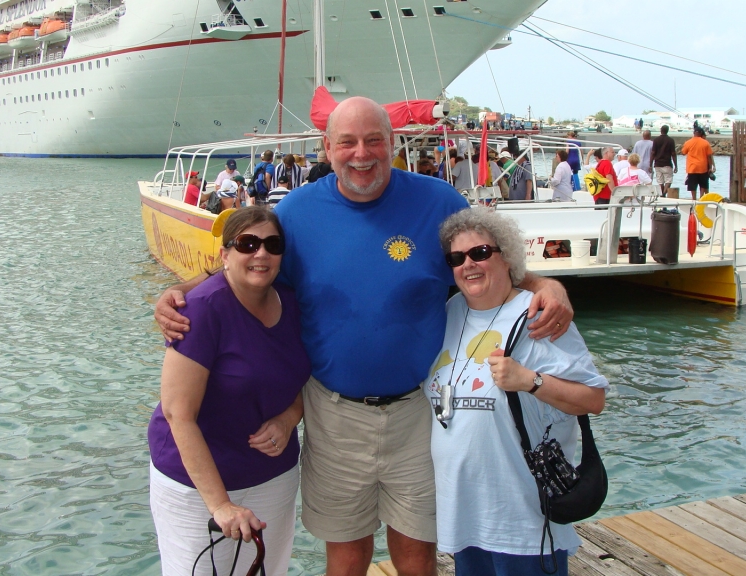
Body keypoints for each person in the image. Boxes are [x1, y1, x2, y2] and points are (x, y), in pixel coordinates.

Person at [154, 96, 574, 576]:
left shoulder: (440, 202)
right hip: (333, 416)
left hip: (421, 411)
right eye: (347, 142)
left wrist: (545, 284)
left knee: (417, 553)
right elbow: (249, 267)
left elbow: (487, 263)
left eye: (374, 140)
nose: (362, 154)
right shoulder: (294, 214)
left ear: (391, 143)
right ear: (326, 148)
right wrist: (179, 290)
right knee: (347, 556)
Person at [427, 207, 608, 575]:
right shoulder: (450, 311)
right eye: (456, 258)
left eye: (480, 253)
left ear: (506, 256)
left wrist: (530, 381)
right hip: (465, 517)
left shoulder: (538, 314)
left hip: (525, 522)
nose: (468, 265)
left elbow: (593, 399)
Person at [148, 206, 310, 576]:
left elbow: (306, 377)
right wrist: (220, 506)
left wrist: (288, 418)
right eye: (248, 243)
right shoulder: (202, 310)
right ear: (224, 254)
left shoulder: (293, 302)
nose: (261, 253)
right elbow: (178, 413)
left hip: (272, 474)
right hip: (196, 487)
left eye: (272, 244)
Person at [679, 127, 714, 200]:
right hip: (703, 167)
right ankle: (701, 198)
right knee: (703, 185)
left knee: (692, 185)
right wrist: (711, 167)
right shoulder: (705, 142)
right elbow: (709, 156)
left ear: (694, 133)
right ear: (701, 134)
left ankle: (694, 199)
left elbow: (683, 152)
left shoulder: (688, 142)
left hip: (692, 167)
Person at [651, 125, 677, 197]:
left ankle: (661, 193)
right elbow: (673, 153)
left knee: (660, 180)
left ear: (661, 130)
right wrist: (676, 165)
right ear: (667, 130)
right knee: (668, 180)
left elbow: (653, 153)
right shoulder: (671, 140)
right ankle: (664, 193)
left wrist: (650, 164)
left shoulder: (656, 140)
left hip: (658, 164)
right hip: (667, 163)